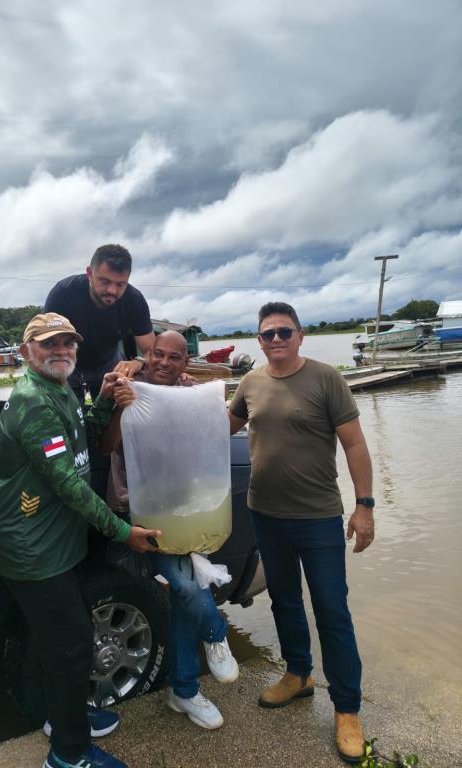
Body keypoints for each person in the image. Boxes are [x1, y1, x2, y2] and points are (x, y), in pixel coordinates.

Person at [0, 312, 161, 768]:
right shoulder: (35, 402)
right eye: (48, 344)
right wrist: (123, 531)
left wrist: (104, 400)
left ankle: (62, 716)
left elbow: (83, 436)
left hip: (54, 546)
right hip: (34, 553)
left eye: (67, 343)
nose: (60, 350)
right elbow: (68, 484)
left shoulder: (59, 388)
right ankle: (69, 754)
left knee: (57, 643)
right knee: (71, 649)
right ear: (26, 352)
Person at [228, 302, 374, 764]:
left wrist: (364, 506)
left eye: (284, 332)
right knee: (285, 600)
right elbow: (219, 428)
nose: (276, 339)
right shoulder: (250, 383)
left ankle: (347, 709)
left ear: (300, 335)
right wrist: (161, 398)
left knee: (332, 609)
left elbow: (355, 444)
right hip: (265, 515)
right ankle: (298, 674)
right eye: (267, 334)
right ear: (258, 340)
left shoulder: (327, 379)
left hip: (318, 518)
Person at [104, 331, 240, 730]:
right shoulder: (128, 388)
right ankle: (216, 634)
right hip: (139, 511)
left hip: (185, 509)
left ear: (185, 362)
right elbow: (105, 446)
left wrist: (205, 399)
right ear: (147, 355)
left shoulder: (187, 393)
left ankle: (184, 691)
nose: (164, 362)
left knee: (183, 602)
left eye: (174, 357)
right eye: (157, 354)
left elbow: (208, 438)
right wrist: (119, 408)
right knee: (186, 587)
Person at [44, 244, 155, 401]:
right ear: (90, 273)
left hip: (110, 363)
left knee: (121, 406)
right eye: (105, 281)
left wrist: (138, 362)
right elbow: (44, 345)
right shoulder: (63, 294)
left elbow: (152, 351)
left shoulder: (134, 301)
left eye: (120, 284)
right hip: (69, 364)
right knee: (66, 411)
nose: (112, 290)